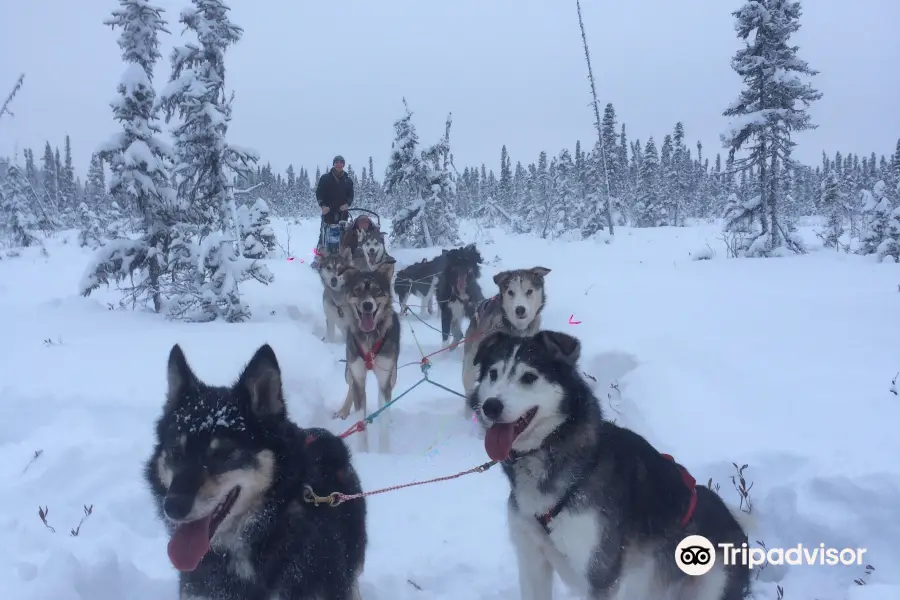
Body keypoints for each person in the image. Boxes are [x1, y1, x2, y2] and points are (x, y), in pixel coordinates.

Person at [313, 155, 354, 266]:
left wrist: (347, 204)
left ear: (343, 165)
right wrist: (322, 206)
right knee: (323, 236)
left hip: (342, 214)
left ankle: (342, 261)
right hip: (328, 213)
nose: (339, 165)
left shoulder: (348, 180)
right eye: (337, 162)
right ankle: (318, 259)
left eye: (341, 163)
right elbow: (319, 193)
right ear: (334, 164)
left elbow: (351, 195)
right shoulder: (325, 178)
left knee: (343, 237)